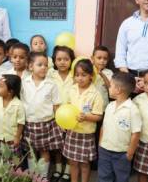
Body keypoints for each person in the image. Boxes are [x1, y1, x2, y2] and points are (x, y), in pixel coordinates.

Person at [21, 52, 63, 179]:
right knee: (30, 151)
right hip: (29, 123)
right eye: (40, 64)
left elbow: (56, 105)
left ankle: (43, 177)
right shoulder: (24, 82)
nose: (44, 67)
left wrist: (60, 123)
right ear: (30, 67)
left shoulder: (51, 84)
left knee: (44, 151)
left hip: (46, 123)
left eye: (46, 65)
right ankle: (33, 177)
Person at [63, 59, 104, 182]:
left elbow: (98, 116)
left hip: (86, 134)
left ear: (91, 76)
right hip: (72, 132)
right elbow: (67, 108)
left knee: (85, 164)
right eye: (77, 75)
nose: (80, 78)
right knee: (73, 162)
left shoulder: (96, 94)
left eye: (84, 75)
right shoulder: (72, 89)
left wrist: (86, 117)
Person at [98, 72, 141, 182]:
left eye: (111, 86)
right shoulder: (110, 106)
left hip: (122, 154)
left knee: (121, 178)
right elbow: (103, 126)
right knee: (104, 177)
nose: (109, 88)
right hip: (105, 150)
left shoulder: (132, 109)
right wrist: (100, 144)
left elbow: (136, 134)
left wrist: (129, 154)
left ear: (118, 89)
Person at [49, 45, 75, 182]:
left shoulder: (75, 75)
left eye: (66, 59)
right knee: (57, 145)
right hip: (55, 115)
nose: (62, 62)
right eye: (59, 59)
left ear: (71, 60)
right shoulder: (50, 74)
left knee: (70, 145)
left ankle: (67, 171)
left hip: (72, 116)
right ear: (54, 61)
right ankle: (58, 169)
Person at [0, 74, 25, 158]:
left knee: (13, 161)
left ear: (10, 91)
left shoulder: (18, 104)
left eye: (1, 86)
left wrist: (17, 137)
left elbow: (20, 123)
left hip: (11, 139)